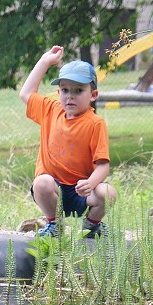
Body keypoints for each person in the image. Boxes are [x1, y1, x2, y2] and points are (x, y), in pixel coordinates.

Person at [19, 45, 116, 237]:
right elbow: (26, 94)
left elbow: (103, 166)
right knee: (41, 183)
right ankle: (56, 226)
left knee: (109, 193)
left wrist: (91, 182)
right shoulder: (51, 110)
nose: (70, 95)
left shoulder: (95, 124)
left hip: (83, 191)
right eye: (65, 90)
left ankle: (91, 226)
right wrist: (45, 61)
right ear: (58, 92)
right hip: (54, 190)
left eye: (78, 90)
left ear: (93, 95)